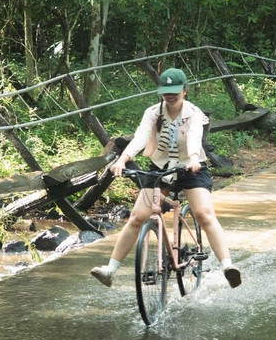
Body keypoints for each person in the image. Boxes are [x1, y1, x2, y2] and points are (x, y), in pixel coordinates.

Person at [90, 68, 242, 289]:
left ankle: (228, 266)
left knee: (204, 213)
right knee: (137, 216)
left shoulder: (194, 113)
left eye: (175, 91)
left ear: (185, 90)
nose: (170, 96)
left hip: (192, 169)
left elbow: (193, 137)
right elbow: (141, 136)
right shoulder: (152, 112)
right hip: (160, 169)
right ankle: (110, 270)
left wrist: (192, 158)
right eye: (166, 91)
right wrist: (123, 160)